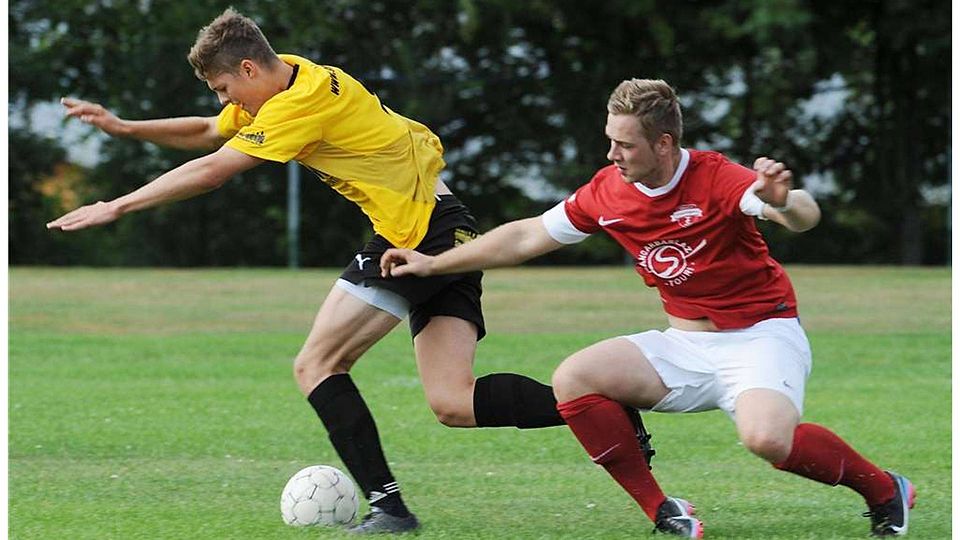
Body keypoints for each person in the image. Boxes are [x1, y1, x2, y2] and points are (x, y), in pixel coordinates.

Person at [46, 8, 585, 534]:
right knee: (453, 401)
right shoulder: (292, 74)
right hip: (448, 225)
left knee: (317, 363)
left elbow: (213, 170)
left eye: (223, 87)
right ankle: (597, 408)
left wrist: (116, 205)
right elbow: (211, 131)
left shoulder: (300, 103)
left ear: (249, 70)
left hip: (414, 236)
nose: (224, 100)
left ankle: (390, 510)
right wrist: (125, 127)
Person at [380, 79, 916, 537]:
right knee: (575, 377)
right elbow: (525, 237)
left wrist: (782, 200)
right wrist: (433, 265)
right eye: (609, 142)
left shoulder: (716, 177)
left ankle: (885, 489)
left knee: (767, 440)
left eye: (625, 145)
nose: (613, 156)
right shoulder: (609, 190)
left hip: (760, 338)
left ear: (663, 143)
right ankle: (663, 511)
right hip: (683, 344)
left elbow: (803, 215)